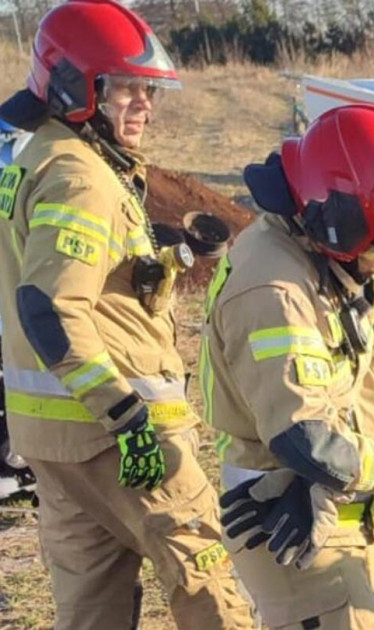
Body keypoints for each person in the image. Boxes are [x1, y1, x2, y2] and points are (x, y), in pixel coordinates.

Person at [0, 1, 252, 627]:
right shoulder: (80, 176)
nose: (144, 105)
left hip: (51, 436)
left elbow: (58, 274)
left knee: (92, 611)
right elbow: (50, 306)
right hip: (118, 434)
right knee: (209, 585)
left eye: (148, 91)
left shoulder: (39, 156)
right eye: (126, 90)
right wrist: (125, 414)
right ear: (76, 87)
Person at [201, 103, 374, 629]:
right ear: (339, 220)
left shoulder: (328, 257)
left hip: (347, 510)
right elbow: (306, 440)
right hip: (290, 516)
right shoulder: (274, 286)